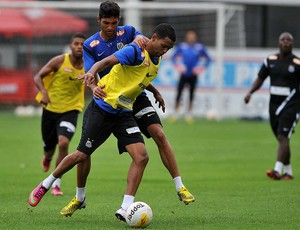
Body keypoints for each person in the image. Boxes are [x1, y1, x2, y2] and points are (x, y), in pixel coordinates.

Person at [28, 23, 177, 222]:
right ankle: (46, 184)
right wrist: (91, 74)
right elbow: (106, 61)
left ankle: (125, 208)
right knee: (81, 155)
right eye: (164, 45)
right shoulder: (133, 50)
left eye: (169, 48)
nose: (165, 50)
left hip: (123, 113)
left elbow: (139, 77)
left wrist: (155, 92)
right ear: (155, 37)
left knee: (141, 157)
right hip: (102, 109)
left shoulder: (152, 56)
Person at [59, 0, 195, 218]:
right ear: (99, 21)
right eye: (106, 23)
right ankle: (80, 196)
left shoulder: (131, 33)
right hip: (108, 98)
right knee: (84, 152)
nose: (111, 27)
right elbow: (92, 74)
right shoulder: (90, 45)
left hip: (136, 95)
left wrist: (153, 90)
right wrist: (93, 88)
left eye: (114, 22)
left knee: (158, 133)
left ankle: (180, 186)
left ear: (119, 21)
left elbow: (142, 64)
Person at [33, 32, 86, 196]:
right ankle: (48, 157)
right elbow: (38, 77)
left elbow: (95, 83)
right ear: (71, 46)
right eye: (76, 43)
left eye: (82, 44)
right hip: (50, 109)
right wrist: (44, 92)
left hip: (71, 110)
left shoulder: (89, 65)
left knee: (63, 143)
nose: (79, 47)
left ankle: (56, 183)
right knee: (49, 148)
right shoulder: (59, 61)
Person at [244, 32, 300, 180]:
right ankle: (288, 172)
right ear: (279, 42)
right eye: (283, 39)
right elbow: (260, 79)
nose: (286, 42)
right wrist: (250, 92)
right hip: (274, 105)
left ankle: (277, 170)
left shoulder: (297, 63)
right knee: (282, 138)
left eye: (289, 40)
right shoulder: (270, 60)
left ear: (292, 44)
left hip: (292, 105)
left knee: (283, 136)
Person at [171, 30, 211, 123]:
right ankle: (175, 113)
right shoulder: (182, 46)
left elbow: (208, 59)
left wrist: (200, 68)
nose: (191, 38)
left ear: (195, 38)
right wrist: (179, 66)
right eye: (189, 37)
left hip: (193, 74)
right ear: (187, 37)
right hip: (184, 74)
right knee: (179, 93)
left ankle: (189, 114)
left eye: (192, 37)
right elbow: (173, 57)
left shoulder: (199, 47)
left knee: (191, 94)